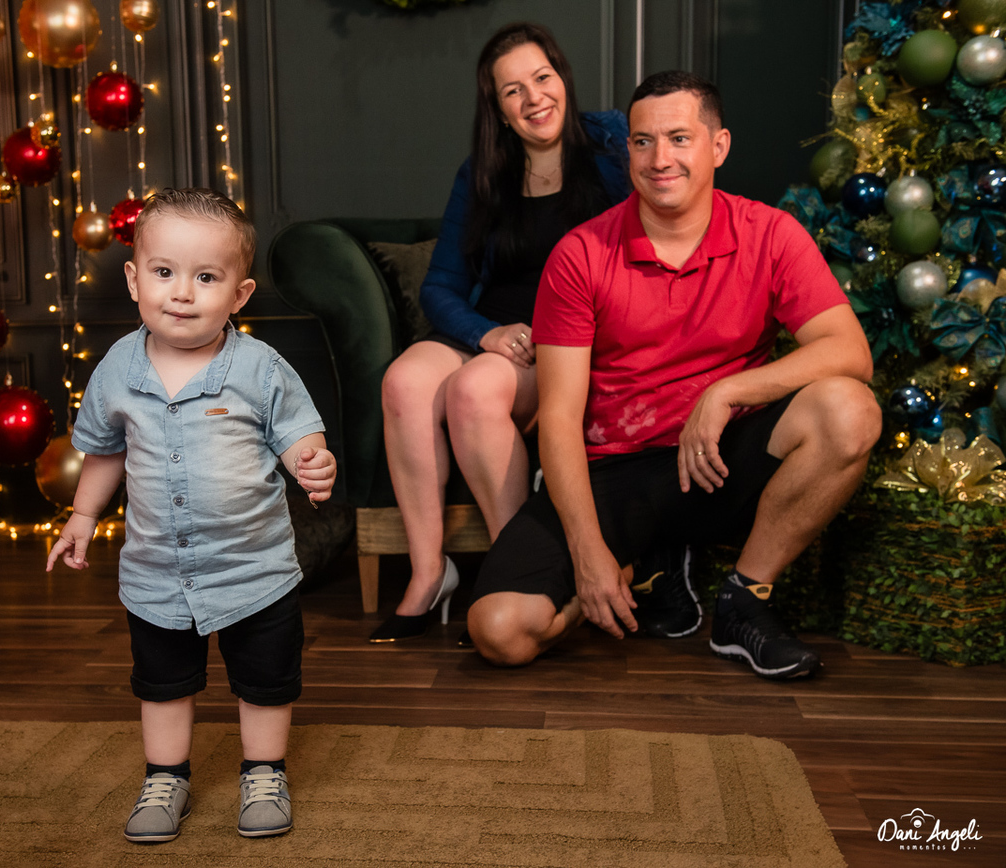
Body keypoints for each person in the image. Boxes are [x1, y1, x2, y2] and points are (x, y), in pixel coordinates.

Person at [466, 71, 882, 679]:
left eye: (680, 138)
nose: (660, 159)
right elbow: (557, 416)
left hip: (719, 461)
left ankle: (744, 601)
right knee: (499, 631)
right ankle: (635, 564)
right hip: (615, 472)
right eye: (643, 141)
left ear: (719, 146)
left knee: (850, 409)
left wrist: (726, 391)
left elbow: (849, 351)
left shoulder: (770, 234)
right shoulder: (581, 254)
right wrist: (589, 553)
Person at [45, 188, 337, 842]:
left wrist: (312, 462)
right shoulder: (118, 369)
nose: (181, 292)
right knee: (162, 682)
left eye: (206, 277)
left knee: (265, 680)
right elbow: (105, 451)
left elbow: (298, 434)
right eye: (164, 272)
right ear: (134, 280)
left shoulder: (259, 368)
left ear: (239, 294)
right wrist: (83, 515)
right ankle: (165, 777)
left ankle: (264, 771)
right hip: (156, 571)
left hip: (254, 570)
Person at [371, 21, 634, 643]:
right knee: (404, 382)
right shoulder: (482, 173)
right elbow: (440, 287)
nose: (533, 98)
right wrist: (485, 333)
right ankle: (429, 573)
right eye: (513, 90)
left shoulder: (611, 149)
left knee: (474, 390)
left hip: (565, 338)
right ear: (498, 108)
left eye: (542, 78)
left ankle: (512, 574)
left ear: (562, 78)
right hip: (495, 331)